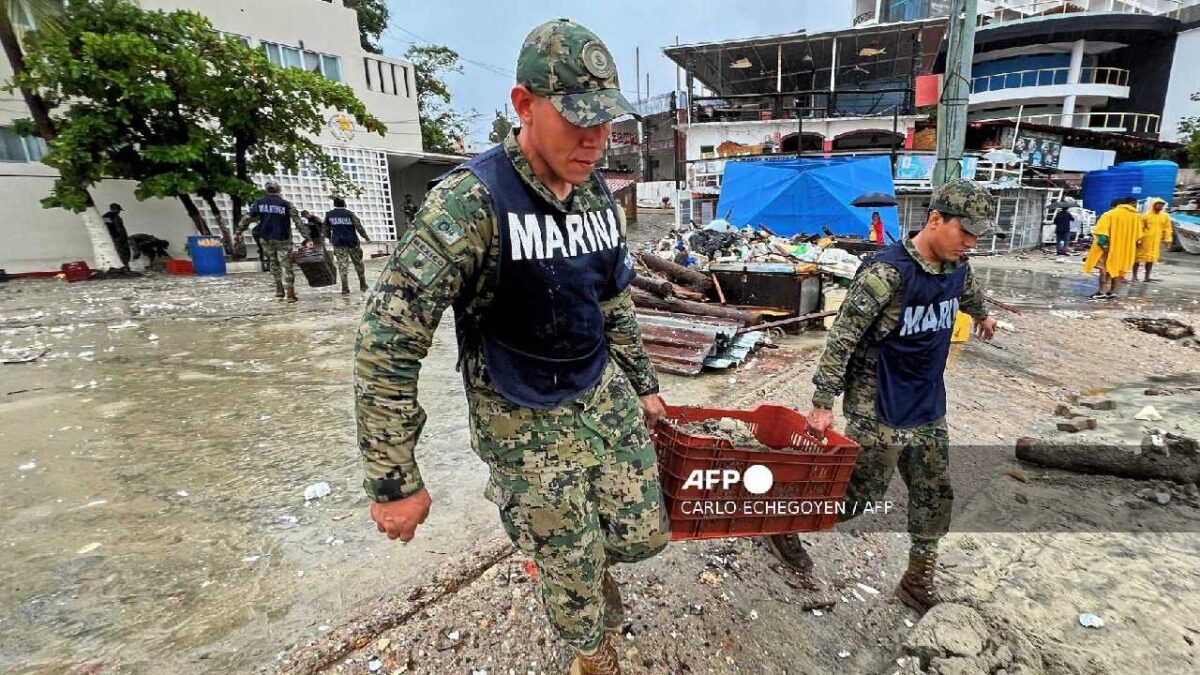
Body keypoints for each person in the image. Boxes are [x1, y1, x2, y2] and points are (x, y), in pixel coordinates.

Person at [355, 19, 668, 675]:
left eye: (605, 121)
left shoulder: (595, 198)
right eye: (577, 119)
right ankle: (591, 648)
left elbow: (612, 298)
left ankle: (569, 558)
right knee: (574, 565)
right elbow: (389, 338)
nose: (595, 139)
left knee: (643, 532)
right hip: (519, 408)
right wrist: (394, 478)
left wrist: (644, 383)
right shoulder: (469, 204)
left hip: (597, 386)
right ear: (523, 104)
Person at [798, 179, 998, 614]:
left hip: (926, 402)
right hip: (878, 406)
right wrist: (822, 402)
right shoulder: (886, 274)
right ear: (934, 220)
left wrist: (983, 316)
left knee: (934, 490)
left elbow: (968, 294)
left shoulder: (956, 267)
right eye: (965, 231)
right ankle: (784, 523)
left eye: (977, 236)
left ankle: (916, 579)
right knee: (858, 497)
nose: (970, 243)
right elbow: (842, 340)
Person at [235, 180, 305, 302]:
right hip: (283, 238)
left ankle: (279, 290)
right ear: (279, 190)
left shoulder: (258, 204)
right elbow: (298, 221)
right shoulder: (286, 204)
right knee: (286, 265)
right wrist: (306, 237)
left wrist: (238, 231)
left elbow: (246, 218)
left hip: (266, 238)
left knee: (273, 262)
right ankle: (290, 294)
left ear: (266, 191)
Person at [1082, 196, 1141, 300]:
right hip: (1125, 249)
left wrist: (1103, 245)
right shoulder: (1135, 217)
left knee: (1104, 270)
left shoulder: (1109, 214)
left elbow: (1102, 232)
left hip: (1109, 247)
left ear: (1114, 206)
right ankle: (1113, 292)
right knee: (1117, 270)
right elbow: (1138, 235)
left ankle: (1101, 291)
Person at [324, 197, 373, 294]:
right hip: (352, 242)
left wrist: (330, 238)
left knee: (342, 265)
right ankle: (363, 284)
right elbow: (358, 227)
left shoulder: (329, 215)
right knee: (358, 263)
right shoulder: (350, 214)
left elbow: (326, 229)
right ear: (344, 204)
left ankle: (345, 288)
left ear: (334, 204)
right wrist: (366, 237)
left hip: (338, 243)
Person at [1133, 198, 1172, 282]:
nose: (1160, 206)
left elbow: (1167, 228)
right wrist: (1137, 239)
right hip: (1144, 240)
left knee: (1151, 259)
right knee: (1137, 258)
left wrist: (1168, 240)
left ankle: (1147, 277)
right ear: (1154, 204)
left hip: (1156, 240)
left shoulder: (1165, 216)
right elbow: (1139, 228)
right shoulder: (1145, 215)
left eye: (1162, 204)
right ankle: (1134, 276)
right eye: (1158, 204)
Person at [102, 203, 131, 271]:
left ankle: (124, 266)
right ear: (115, 209)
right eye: (118, 210)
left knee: (121, 252)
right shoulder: (112, 217)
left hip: (116, 237)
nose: (119, 211)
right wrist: (120, 237)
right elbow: (114, 228)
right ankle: (125, 267)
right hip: (118, 238)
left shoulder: (108, 217)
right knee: (123, 252)